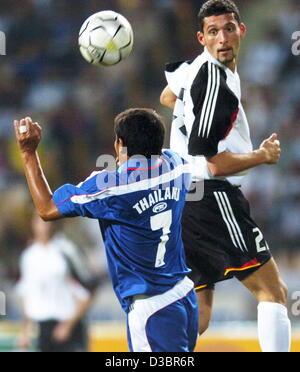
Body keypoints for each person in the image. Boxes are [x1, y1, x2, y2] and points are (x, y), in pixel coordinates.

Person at [160, 0, 291, 352]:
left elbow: (167, 94)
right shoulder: (217, 84)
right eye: (213, 32)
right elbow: (214, 163)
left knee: (199, 316)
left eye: (228, 29)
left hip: (182, 197)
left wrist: (189, 113)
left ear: (241, 31)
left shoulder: (193, 68)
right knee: (273, 294)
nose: (222, 39)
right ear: (201, 37)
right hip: (211, 197)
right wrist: (261, 155)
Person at [13, 109, 199, 352]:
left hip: (151, 306)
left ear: (120, 143)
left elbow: (47, 208)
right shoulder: (179, 165)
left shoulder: (113, 188)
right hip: (183, 294)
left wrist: (28, 154)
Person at [17, 213, 101, 352]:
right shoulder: (28, 256)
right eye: (40, 222)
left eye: (48, 222)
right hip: (42, 329)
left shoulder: (67, 251)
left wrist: (68, 324)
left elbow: (89, 288)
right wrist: (24, 330)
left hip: (69, 328)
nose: (45, 226)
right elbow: (25, 293)